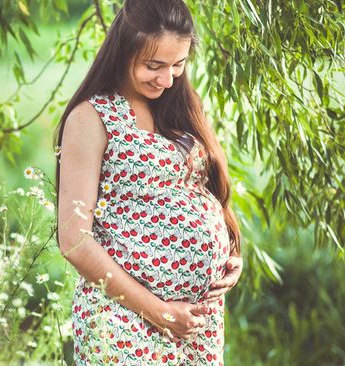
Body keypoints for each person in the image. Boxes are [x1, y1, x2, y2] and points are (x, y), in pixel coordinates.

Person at [54, 0, 243, 364]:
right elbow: (74, 241)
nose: (166, 78)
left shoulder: (179, 107)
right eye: (153, 65)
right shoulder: (92, 118)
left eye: (178, 65)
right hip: (125, 322)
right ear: (124, 51)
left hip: (196, 322)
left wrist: (230, 255)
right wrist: (160, 313)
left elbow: (201, 188)